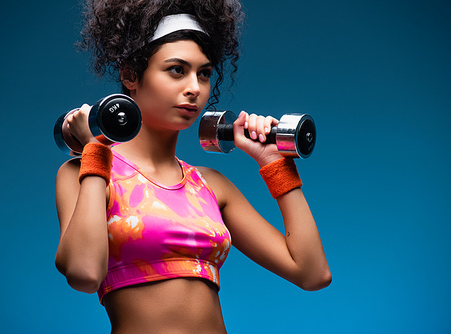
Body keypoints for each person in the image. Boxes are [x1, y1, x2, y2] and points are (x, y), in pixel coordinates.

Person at [54, 0, 331, 333]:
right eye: (176, 70)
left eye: (204, 73)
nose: (194, 89)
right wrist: (95, 154)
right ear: (130, 75)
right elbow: (83, 274)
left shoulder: (210, 184)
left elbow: (312, 273)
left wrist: (275, 165)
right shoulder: (86, 173)